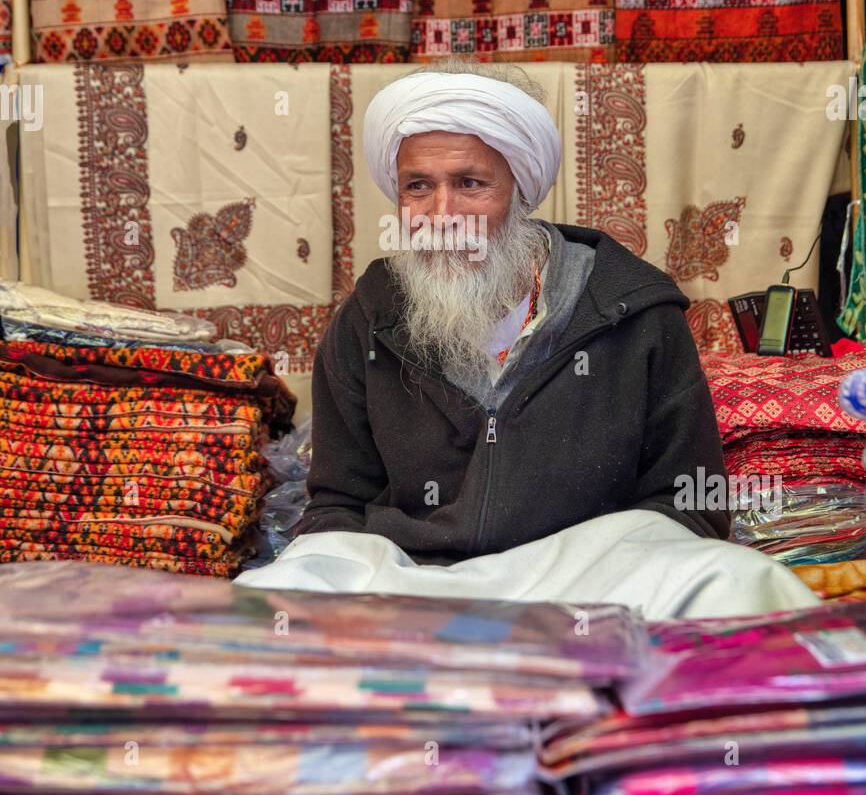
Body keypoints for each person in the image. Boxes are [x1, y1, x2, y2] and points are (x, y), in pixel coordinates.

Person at [238, 58, 817, 617]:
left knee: (741, 582)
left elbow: (690, 502)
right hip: (415, 580)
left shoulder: (633, 310)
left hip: (587, 578)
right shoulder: (370, 317)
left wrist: (617, 580)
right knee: (272, 594)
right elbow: (338, 504)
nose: (443, 214)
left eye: (470, 183)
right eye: (418, 187)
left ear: (521, 190)